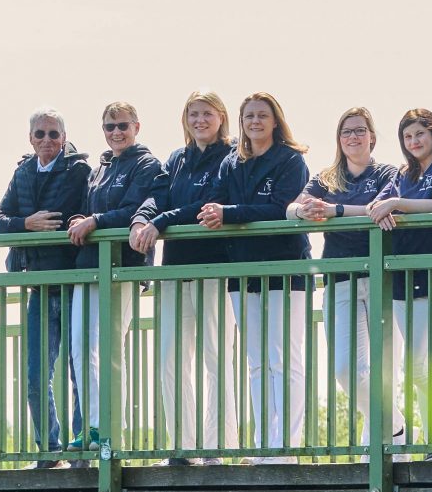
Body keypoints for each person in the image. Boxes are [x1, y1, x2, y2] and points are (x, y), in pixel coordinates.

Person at [131, 91, 236, 457]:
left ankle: (218, 444)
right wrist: (143, 218)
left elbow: (205, 204)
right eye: (193, 114)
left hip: (214, 266)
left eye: (207, 113)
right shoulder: (177, 158)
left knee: (215, 356)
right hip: (175, 268)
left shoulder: (231, 155)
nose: (200, 120)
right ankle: (181, 445)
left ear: (221, 117)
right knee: (171, 359)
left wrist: (159, 222)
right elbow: (157, 195)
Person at [214, 93, 313, 459]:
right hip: (244, 272)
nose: (255, 122)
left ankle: (285, 445)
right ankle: (262, 445)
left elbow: (277, 209)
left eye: (262, 115)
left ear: (275, 121)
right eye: (248, 116)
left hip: (286, 269)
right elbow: (218, 203)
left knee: (285, 359)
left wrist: (229, 213)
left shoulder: (290, 160)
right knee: (257, 362)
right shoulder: (232, 162)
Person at [291, 106, 397, 445]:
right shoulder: (327, 177)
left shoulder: (387, 174)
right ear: (339, 139)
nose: (353, 137)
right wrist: (303, 210)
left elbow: (379, 209)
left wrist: (334, 211)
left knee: (384, 369)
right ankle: (395, 425)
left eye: (360, 130)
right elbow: (294, 206)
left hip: (382, 276)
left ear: (372, 136)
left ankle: (379, 447)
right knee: (345, 369)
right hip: (340, 277)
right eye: (346, 131)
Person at [361, 110, 432, 447]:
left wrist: (398, 204)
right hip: (405, 280)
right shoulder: (404, 174)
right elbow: (376, 205)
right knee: (421, 370)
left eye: (420, 133)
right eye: (408, 137)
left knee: (419, 367)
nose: (414, 141)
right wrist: (385, 208)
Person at [0, 109, 91, 455]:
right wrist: (26, 224)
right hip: (38, 284)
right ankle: (48, 447)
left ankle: (82, 445)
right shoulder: (22, 173)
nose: (46, 140)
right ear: (30, 138)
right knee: (35, 376)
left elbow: (84, 212)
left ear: (64, 137)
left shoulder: (79, 172)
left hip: (73, 283)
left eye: (53, 134)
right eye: (39, 134)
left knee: (80, 372)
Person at [66, 102, 166, 448]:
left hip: (121, 267)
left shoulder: (147, 164)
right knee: (81, 348)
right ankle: (91, 426)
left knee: (107, 348)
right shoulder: (100, 168)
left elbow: (134, 210)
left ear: (137, 126)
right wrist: (79, 220)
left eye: (122, 125)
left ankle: (110, 429)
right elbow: (88, 208)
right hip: (89, 267)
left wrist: (95, 222)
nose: (116, 133)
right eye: (109, 127)